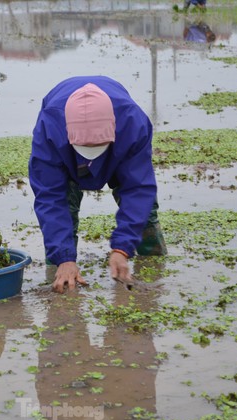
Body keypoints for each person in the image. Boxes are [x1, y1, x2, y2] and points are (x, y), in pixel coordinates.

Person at [28, 76, 167, 294]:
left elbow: (137, 188)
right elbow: (49, 197)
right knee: (65, 207)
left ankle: (156, 268)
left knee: (146, 212)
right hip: (66, 155)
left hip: (118, 149)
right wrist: (64, 257)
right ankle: (61, 274)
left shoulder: (133, 124)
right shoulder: (50, 128)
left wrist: (122, 249)